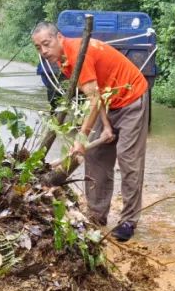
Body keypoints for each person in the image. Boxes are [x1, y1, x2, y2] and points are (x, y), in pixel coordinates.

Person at [31, 21, 149, 242]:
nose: (44, 51)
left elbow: (94, 99)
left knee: (128, 159)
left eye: (46, 44)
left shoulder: (78, 54)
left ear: (59, 38)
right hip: (108, 100)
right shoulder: (63, 61)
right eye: (38, 47)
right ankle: (97, 215)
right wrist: (106, 126)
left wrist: (81, 138)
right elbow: (95, 93)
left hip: (131, 98)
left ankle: (128, 221)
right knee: (95, 157)